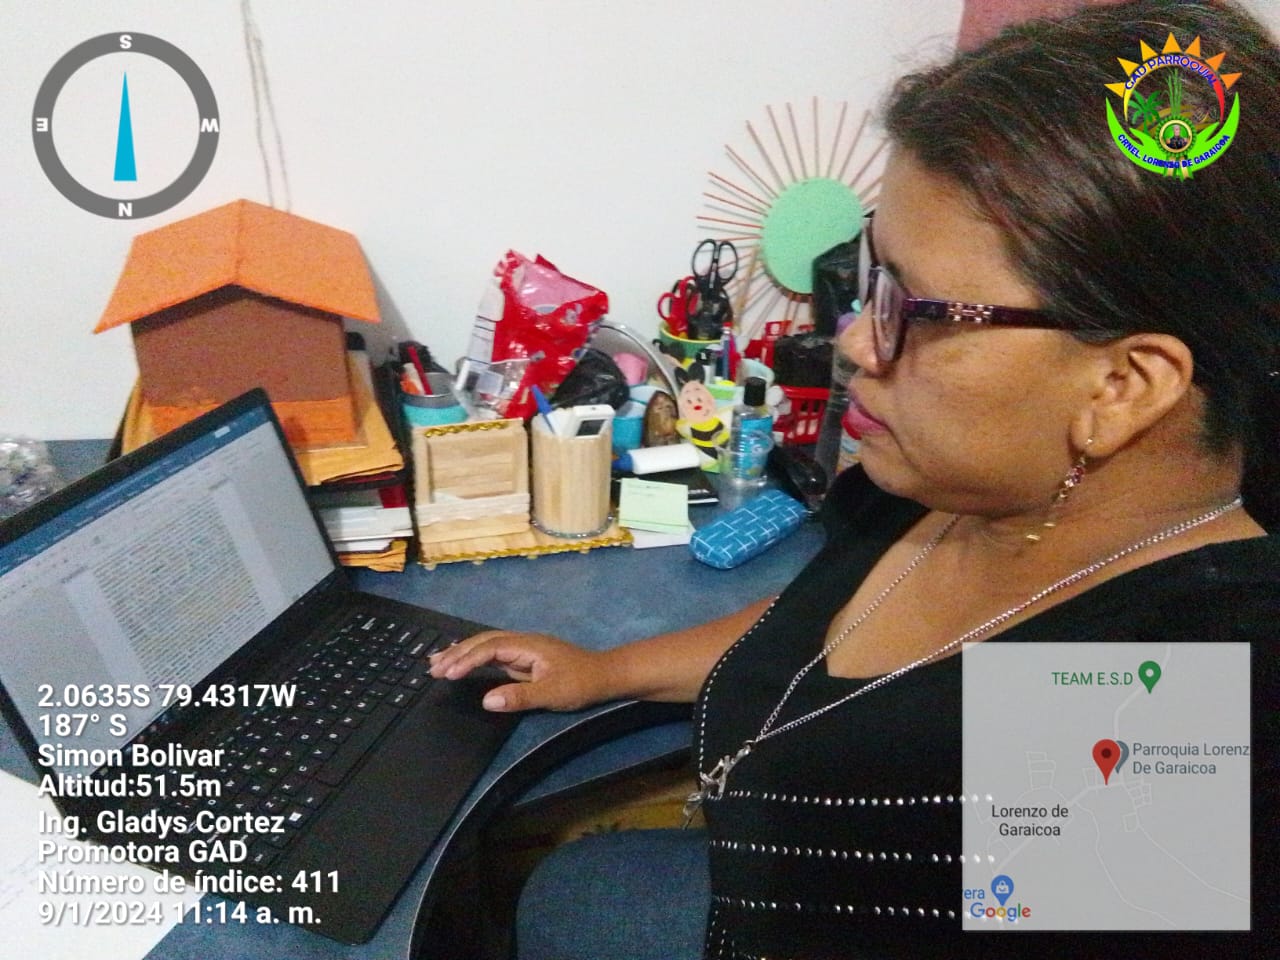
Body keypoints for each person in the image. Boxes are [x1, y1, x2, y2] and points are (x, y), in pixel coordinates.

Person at [430, 1, 1280, 956]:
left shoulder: (1154, 695)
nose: (854, 344)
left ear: (1123, 385)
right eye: (872, 283)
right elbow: (825, 628)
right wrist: (607, 670)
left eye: (921, 312)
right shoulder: (946, 486)